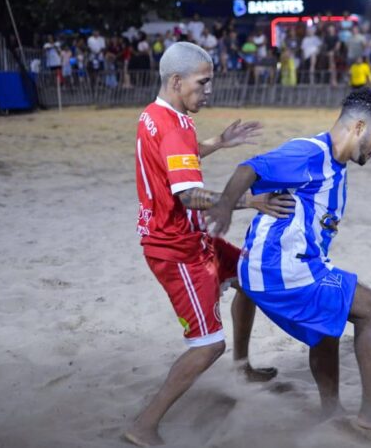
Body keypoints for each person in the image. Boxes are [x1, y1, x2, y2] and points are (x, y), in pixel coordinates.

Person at [205, 88, 371, 441]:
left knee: (328, 319)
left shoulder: (334, 164)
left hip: (269, 266)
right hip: (280, 270)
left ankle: (328, 409)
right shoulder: (310, 153)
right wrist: (223, 207)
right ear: (359, 126)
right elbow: (248, 167)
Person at [125, 42, 294, 447]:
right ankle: (143, 424)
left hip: (191, 237)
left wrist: (219, 141)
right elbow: (189, 196)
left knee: (249, 276)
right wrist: (248, 201)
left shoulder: (158, 116)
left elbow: (179, 154)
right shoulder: (173, 125)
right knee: (206, 346)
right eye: (204, 83)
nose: (209, 90)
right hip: (176, 249)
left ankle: (243, 366)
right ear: (177, 80)